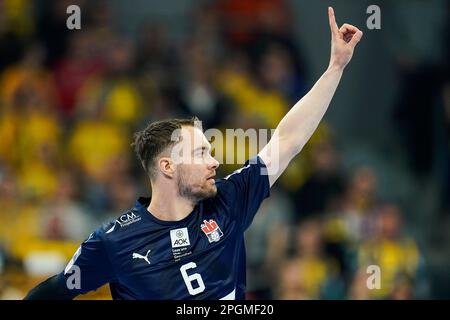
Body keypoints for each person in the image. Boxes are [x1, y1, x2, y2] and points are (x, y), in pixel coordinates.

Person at [24, 7, 362, 300]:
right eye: (201, 153)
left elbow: (287, 140)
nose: (214, 161)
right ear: (168, 166)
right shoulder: (114, 242)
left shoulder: (229, 201)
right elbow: (56, 291)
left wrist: (335, 67)